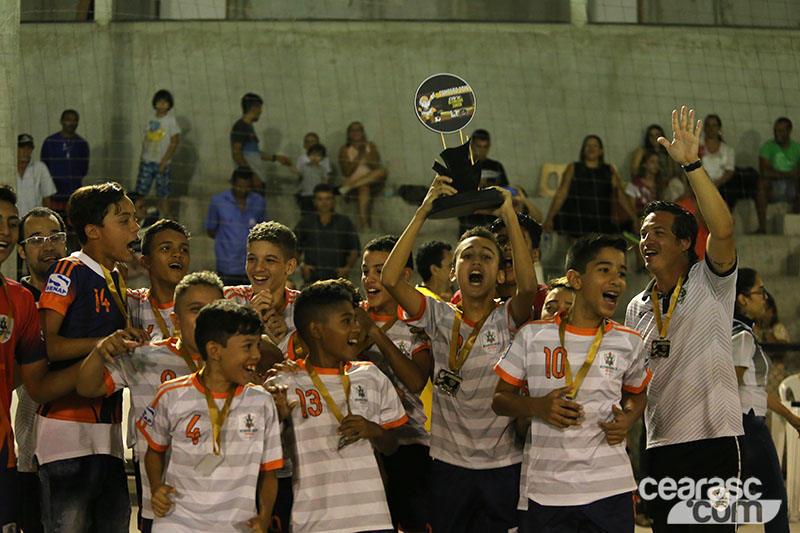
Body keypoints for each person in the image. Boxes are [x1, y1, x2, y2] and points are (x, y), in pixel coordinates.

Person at [381, 178, 536, 531]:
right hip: (449, 464)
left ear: (499, 274)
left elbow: (528, 286)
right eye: (467, 255)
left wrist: (509, 213)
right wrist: (422, 212)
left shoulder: (508, 318)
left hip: (503, 464)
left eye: (487, 256)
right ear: (453, 272)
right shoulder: (438, 316)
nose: (476, 261)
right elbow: (391, 280)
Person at [625, 107, 742, 533]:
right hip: (659, 445)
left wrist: (692, 165)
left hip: (714, 442)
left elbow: (724, 229)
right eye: (642, 233)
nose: (646, 239)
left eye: (657, 232)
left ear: (684, 242)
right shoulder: (637, 305)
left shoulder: (711, 281)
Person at [493, 234, 650, 532]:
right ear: (575, 279)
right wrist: (537, 406)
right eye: (605, 270)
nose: (616, 281)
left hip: (610, 488)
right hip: (548, 490)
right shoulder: (532, 335)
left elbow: (637, 395)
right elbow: (499, 399)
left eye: (621, 273)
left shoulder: (629, 341)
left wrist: (627, 420)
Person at [37, 182, 149, 532]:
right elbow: (49, 346)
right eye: (125, 220)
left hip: (109, 434)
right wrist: (106, 341)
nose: (135, 227)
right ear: (93, 231)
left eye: (134, 219)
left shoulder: (118, 276)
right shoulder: (68, 270)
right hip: (67, 432)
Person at [76, 271, 222, 532]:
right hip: (164, 505)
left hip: (225, 504)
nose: (206, 318)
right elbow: (87, 387)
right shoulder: (144, 357)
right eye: (195, 309)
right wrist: (100, 351)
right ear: (175, 320)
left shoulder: (237, 361)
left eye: (215, 310)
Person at [266, 279, 407, 532]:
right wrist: (281, 420)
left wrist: (373, 430)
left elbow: (391, 446)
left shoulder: (371, 375)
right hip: (315, 523)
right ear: (317, 330)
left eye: (355, 320)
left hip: (372, 518)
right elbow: (275, 458)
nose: (356, 329)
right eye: (346, 321)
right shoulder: (284, 383)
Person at [137, 300, 282, 532]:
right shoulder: (171, 394)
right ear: (214, 350)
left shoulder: (262, 401)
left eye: (257, 345)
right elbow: (154, 450)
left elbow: (269, 471)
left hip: (237, 525)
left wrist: (264, 516)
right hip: (177, 522)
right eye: (247, 346)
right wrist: (156, 486)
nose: (256, 355)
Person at [0, 187, 77, 533]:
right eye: (35, 238)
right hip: (27, 449)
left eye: (10, 223)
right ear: (22, 250)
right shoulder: (25, 298)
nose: (4, 229)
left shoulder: (18, 300)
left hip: (10, 451)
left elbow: (32, 380)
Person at [359, 235, 432, 532]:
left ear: (403, 275)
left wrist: (375, 335)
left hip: (410, 445)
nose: (370, 279)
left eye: (379, 270)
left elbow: (416, 380)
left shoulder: (417, 324)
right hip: (363, 445)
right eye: (365, 271)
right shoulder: (351, 317)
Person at [732, 268, 799, 532]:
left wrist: (792, 418)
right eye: (760, 291)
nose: (766, 298)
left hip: (743, 425)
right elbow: (730, 386)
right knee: (774, 499)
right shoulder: (742, 336)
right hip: (748, 426)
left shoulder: (740, 333)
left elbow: (757, 390)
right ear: (742, 299)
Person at [15, 207, 69, 533]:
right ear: (22, 250)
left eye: (54, 237)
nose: (47, 245)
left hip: (82, 449)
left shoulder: (86, 294)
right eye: (36, 239)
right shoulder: (15, 300)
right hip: (31, 457)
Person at [225, 221, 299, 349]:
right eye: (252, 259)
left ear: (289, 266)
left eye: (269, 260)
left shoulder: (303, 308)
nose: (258, 268)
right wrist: (252, 322)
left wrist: (287, 342)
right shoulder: (229, 299)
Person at [544, 135, 634, 237]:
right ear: (583, 150)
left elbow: (620, 196)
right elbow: (562, 193)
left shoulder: (609, 170)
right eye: (588, 145)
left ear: (601, 150)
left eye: (595, 145)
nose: (591, 148)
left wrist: (634, 218)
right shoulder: (573, 168)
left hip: (602, 220)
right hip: (577, 220)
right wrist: (550, 217)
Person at [128, 219, 191, 340]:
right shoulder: (131, 303)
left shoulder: (206, 301)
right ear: (146, 262)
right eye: (166, 248)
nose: (177, 254)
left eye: (184, 250)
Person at [205, 168, 267, 286]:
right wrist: (228, 243)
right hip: (227, 265)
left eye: (247, 187)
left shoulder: (259, 202)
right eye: (239, 187)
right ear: (231, 182)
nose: (243, 191)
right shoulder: (218, 201)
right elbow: (211, 230)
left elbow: (263, 232)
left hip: (252, 265)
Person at [294, 183, 360, 284]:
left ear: (333, 200)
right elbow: (292, 246)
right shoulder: (306, 222)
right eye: (320, 199)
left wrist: (346, 268)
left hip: (338, 279)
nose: (324, 203)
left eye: (328, 198)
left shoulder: (344, 222)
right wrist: (302, 266)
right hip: (312, 279)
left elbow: (354, 249)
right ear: (314, 201)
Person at [230, 92, 291, 192]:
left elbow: (254, 154)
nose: (261, 112)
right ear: (254, 109)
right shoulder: (240, 127)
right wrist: (252, 176)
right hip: (249, 183)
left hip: (256, 180)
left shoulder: (249, 127)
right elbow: (237, 154)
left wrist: (276, 158)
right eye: (260, 109)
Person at [135, 90, 181, 217]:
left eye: (165, 102)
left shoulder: (171, 120)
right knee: (140, 192)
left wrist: (164, 162)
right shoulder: (150, 118)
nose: (162, 105)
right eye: (159, 101)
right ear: (155, 103)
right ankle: (136, 217)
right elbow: (146, 139)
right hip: (147, 161)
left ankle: (166, 219)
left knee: (163, 193)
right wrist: (141, 159)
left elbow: (175, 141)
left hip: (162, 162)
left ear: (169, 104)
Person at [457, 129, 511, 235]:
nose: (481, 150)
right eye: (478, 146)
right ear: (471, 145)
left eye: (485, 147)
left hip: (492, 217)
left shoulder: (496, 166)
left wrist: (490, 187)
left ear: (489, 146)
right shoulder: (462, 166)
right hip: (468, 217)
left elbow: (506, 189)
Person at [40, 109, 90, 217]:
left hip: (74, 193)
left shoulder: (82, 144)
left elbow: (84, 168)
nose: (71, 123)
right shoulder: (51, 141)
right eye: (68, 120)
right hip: (54, 195)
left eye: (74, 120)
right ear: (61, 121)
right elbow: (44, 166)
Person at [338, 121, 388, 228]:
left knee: (383, 171)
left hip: (371, 181)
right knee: (363, 188)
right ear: (349, 133)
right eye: (353, 130)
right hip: (355, 181)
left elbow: (376, 166)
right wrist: (359, 155)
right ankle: (365, 225)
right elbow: (346, 172)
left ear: (362, 132)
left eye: (358, 130)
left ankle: (350, 186)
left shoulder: (370, 146)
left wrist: (366, 153)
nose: (356, 132)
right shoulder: (344, 150)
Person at [757, 117, 800, 233]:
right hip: (774, 186)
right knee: (762, 184)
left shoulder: (797, 148)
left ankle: (795, 224)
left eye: (781, 131)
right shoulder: (767, 147)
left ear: (789, 131)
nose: (777, 134)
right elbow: (765, 172)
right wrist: (790, 173)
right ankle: (762, 227)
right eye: (775, 131)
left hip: (793, 186)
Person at [16, 134, 56, 217]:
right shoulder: (6, 168)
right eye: (22, 147)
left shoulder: (40, 168)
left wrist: (46, 219)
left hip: (34, 219)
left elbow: (47, 197)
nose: (26, 151)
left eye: (29, 148)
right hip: (12, 218)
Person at [293, 143, 330, 214]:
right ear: (308, 155)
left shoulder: (322, 169)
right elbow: (297, 173)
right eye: (313, 154)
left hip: (318, 196)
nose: (315, 157)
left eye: (318, 155)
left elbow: (325, 181)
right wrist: (289, 165)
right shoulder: (304, 166)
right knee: (306, 213)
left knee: (318, 214)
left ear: (322, 157)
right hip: (305, 195)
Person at [627, 151, 661, 216]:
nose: (656, 165)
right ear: (644, 164)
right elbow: (630, 208)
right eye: (652, 162)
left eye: (658, 162)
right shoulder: (634, 183)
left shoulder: (660, 183)